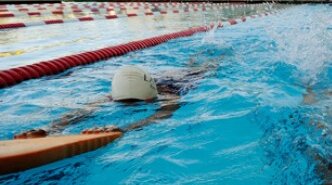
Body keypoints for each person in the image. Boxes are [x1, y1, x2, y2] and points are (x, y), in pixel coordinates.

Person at [14, 63, 213, 139]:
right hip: (158, 80)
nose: (130, 106)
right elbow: (83, 111)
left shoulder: (170, 95)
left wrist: (124, 129)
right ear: (114, 98)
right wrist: (50, 128)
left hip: (182, 78)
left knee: (203, 67)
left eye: (135, 102)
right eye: (125, 102)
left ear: (150, 97)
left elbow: (162, 115)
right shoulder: (111, 97)